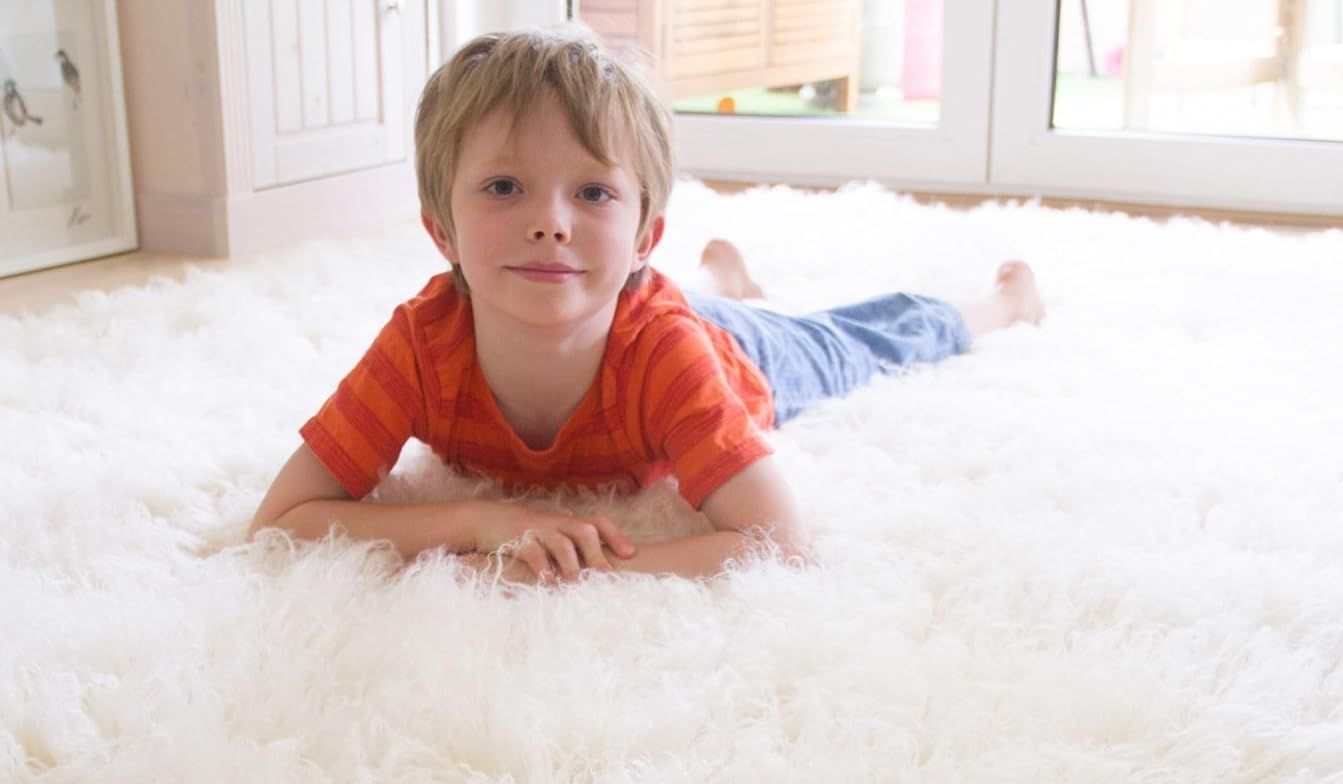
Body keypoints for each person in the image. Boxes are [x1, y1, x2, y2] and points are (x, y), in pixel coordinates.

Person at [247, 25, 1044, 585]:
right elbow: (281, 521)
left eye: (593, 192)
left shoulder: (668, 355)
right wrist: (479, 521)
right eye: (504, 186)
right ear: (441, 229)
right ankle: (719, 278)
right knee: (611, 289)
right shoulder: (422, 347)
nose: (550, 222)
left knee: (855, 342)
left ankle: (1000, 303)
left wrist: (584, 576)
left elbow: (779, 541)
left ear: (643, 238)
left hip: (729, 349)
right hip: (630, 302)